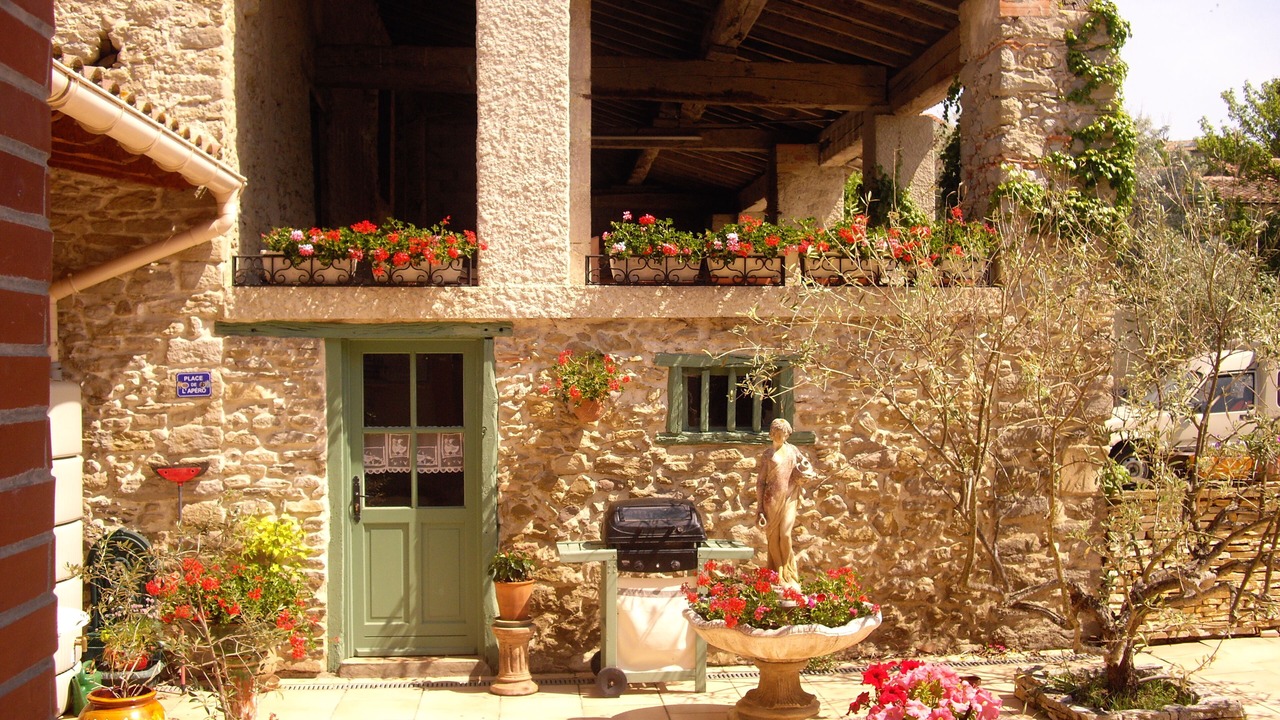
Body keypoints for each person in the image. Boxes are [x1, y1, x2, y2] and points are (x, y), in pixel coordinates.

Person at [755, 418, 818, 586]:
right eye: (777, 433)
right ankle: (779, 572)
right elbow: (761, 481)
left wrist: (805, 474)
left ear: (787, 434)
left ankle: (789, 570)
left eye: (783, 434)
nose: (780, 437)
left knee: (785, 534)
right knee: (773, 537)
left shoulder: (793, 451)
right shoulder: (768, 455)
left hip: (790, 497)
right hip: (771, 499)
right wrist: (759, 507)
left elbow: (805, 468)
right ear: (771, 434)